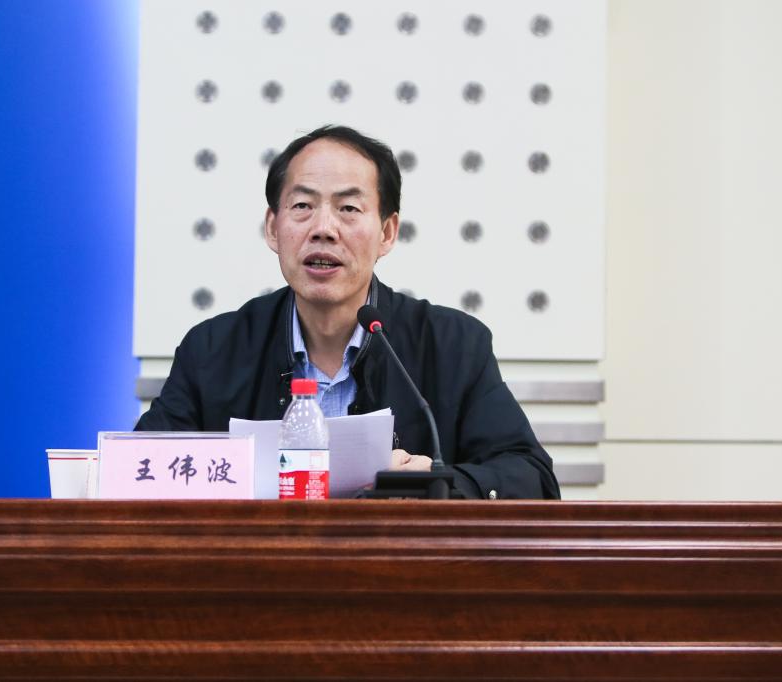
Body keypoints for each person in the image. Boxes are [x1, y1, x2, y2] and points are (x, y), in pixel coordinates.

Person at [136, 125, 560, 500]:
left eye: (349, 208)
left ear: (387, 233)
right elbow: (138, 472)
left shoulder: (452, 345)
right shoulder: (212, 350)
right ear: (272, 227)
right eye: (302, 206)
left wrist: (440, 483)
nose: (323, 228)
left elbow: (531, 478)